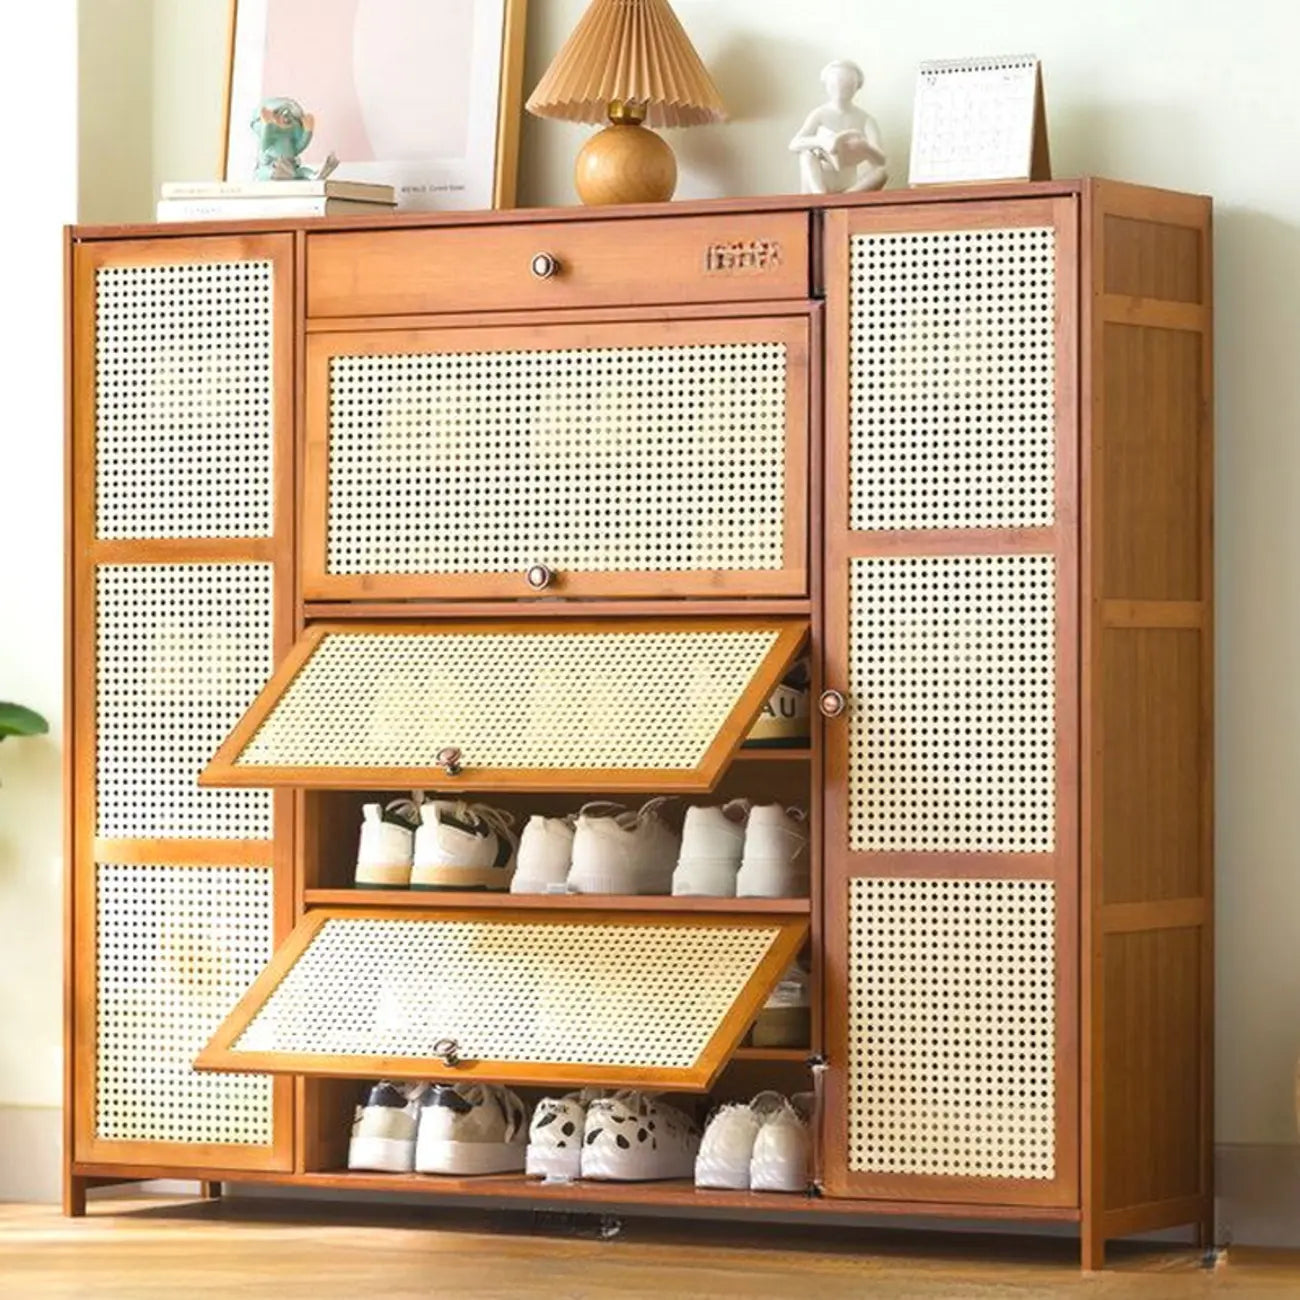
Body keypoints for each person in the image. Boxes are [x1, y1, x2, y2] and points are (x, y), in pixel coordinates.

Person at [789, 61, 887, 194]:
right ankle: (821, 196)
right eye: (835, 84)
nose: (841, 89)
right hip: (820, 182)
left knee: (881, 173)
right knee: (806, 154)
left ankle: (846, 197)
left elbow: (881, 162)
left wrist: (866, 148)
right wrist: (821, 141)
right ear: (827, 85)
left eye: (847, 84)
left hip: (847, 185)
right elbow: (794, 144)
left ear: (857, 86)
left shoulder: (866, 119)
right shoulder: (820, 114)